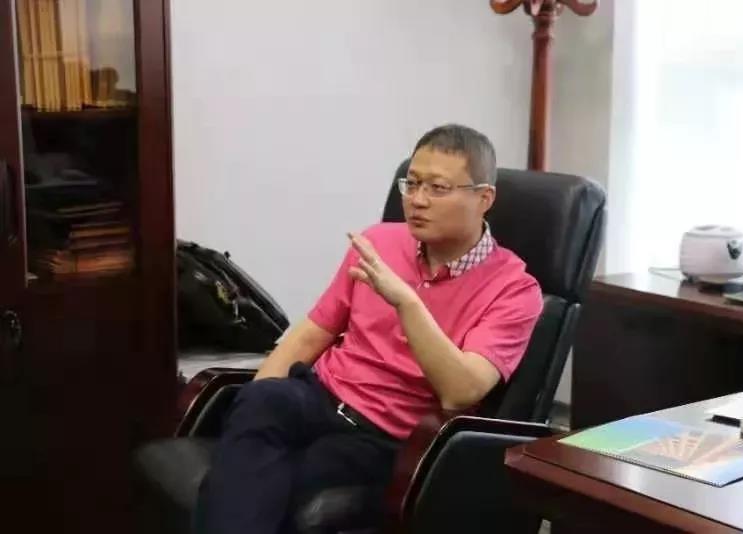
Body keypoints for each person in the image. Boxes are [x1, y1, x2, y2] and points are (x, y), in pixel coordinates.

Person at [196, 124, 543, 534]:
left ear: (484, 198)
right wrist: (252, 399)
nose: (417, 200)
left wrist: (407, 303)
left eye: (437, 188)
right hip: (319, 395)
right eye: (411, 183)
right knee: (261, 400)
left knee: (267, 485)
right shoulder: (378, 242)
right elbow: (312, 333)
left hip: (387, 435)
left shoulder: (515, 289)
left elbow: (461, 390)